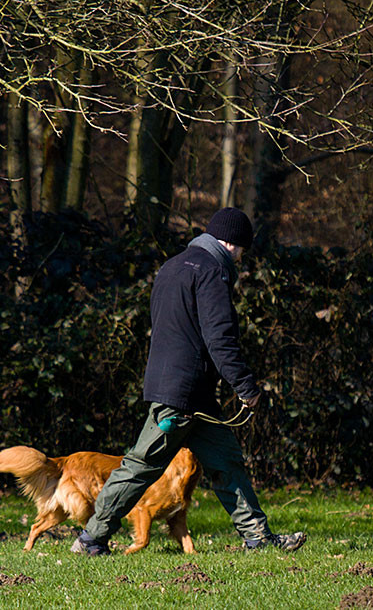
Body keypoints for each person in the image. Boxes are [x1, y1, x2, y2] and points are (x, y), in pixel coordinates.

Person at [71, 208, 306, 556]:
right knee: (140, 466)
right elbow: (219, 338)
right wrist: (245, 386)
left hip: (185, 391)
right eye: (241, 250)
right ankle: (91, 538)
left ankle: (258, 538)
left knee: (226, 461)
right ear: (230, 243)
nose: (241, 258)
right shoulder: (212, 271)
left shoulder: (172, 267)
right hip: (180, 396)